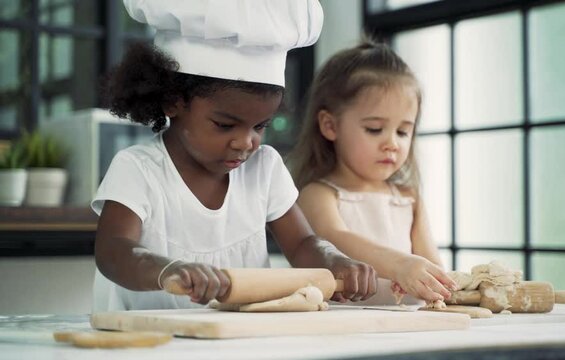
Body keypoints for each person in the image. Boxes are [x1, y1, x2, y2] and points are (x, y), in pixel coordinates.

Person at [91, 0, 377, 312]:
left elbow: (302, 244)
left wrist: (334, 259)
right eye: (225, 125)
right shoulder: (138, 170)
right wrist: (165, 271)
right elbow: (114, 251)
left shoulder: (264, 169)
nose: (245, 142)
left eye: (260, 126)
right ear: (173, 102)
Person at [289, 40, 457, 306]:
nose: (392, 143)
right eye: (375, 129)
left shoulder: (409, 198)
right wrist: (400, 265)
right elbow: (337, 240)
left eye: (403, 131)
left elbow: (433, 266)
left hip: (409, 330)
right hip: (343, 330)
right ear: (330, 125)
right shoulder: (319, 194)